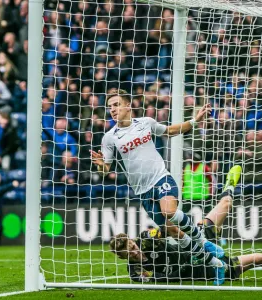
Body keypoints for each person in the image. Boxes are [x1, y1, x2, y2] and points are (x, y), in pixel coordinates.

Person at [90, 88, 226, 284]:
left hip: (161, 178)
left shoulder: (146, 123)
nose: (112, 109)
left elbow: (170, 131)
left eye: (116, 104)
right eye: (110, 106)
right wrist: (100, 165)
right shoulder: (109, 138)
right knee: (173, 231)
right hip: (142, 191)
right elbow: (106, 169)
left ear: (128, 105)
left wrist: (195, 121)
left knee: (169, 211)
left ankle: (204, 242)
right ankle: (216, 265)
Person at [110, 166, 262, 284]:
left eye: (132, 247)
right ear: (122, 257)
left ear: (132, 241)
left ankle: (229, 186)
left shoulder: (145, 240)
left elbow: (169, 230)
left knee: (226, 203)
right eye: (129, 253)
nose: (135, 252)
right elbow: (160, 280)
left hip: (194, 245)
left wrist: (170, 230)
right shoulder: (135, 271)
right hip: (199, 268)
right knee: (242, 264)